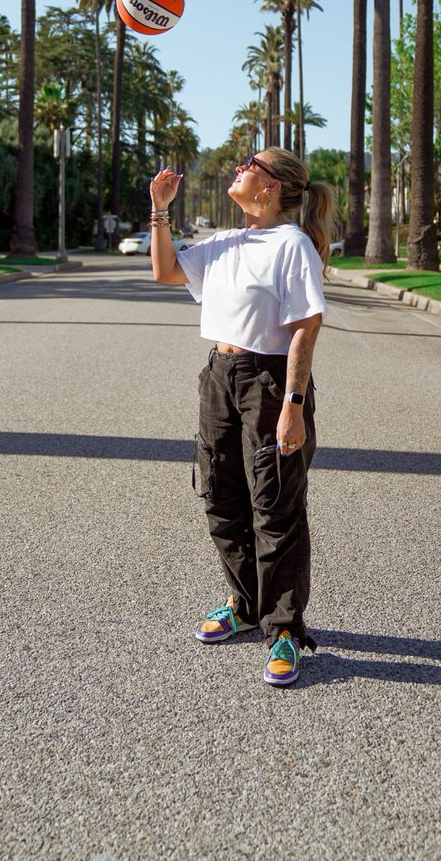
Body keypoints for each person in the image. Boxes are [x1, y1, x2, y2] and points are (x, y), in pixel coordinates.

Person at [150, 148, 334, 686]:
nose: (238, 170)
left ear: (271, 186)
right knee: (218, 492)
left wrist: (294, 406)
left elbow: (305, 326)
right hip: (219, 374)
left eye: (248, 164)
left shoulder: (291, 245)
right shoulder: (225, 241)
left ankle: (284, 630)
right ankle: (245, 603)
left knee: (274, 502)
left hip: (270, 381)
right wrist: (160, 209)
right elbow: (164, 270)